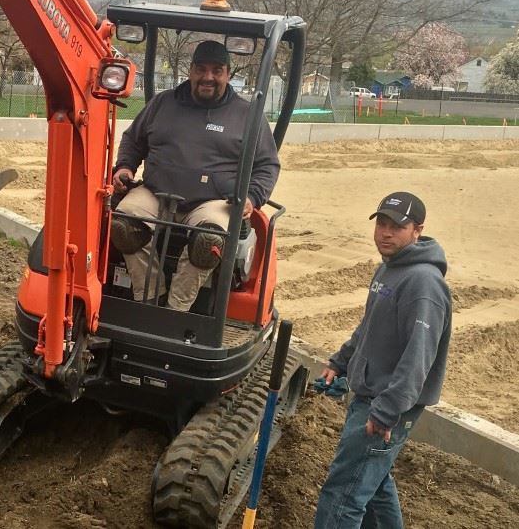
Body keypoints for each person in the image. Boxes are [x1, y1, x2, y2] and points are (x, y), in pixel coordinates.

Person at [314, 191, 451, 529]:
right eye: (382, 224)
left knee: (344, 494)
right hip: (372, 395)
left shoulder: (423, 284)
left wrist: (387, 411)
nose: (385, 233)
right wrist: (341, 361)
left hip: (387, 403)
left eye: (397, 227)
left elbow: (418, 357)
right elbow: (369, 327)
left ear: (417, 230)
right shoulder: (388, 270)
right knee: (372, 485)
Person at [110, 39, 280, 310]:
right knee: (123, 225)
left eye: (216, 70)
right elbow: (133, 139)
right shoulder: (163, 103)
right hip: (156, 192)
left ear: (228, 74)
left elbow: (267, 165)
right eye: (201, 69)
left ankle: (176, 309)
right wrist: (125, 166)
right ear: (190, 71)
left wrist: (252, 196)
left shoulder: (247, 115)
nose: (208, 77)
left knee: (209, 242)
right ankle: (151, 298)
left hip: (213, 201)